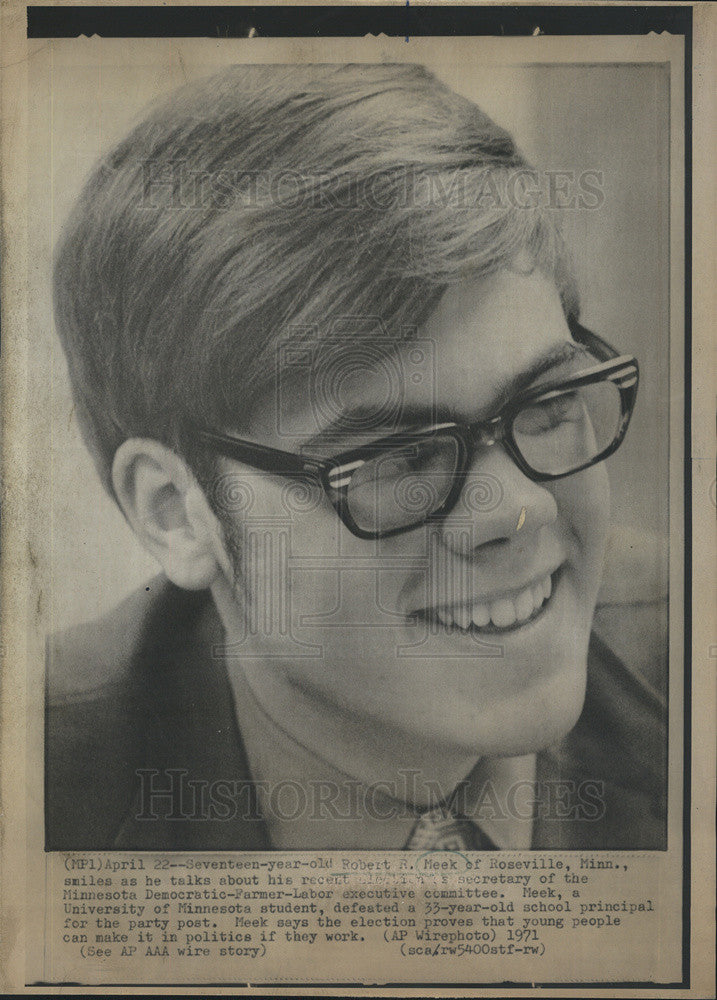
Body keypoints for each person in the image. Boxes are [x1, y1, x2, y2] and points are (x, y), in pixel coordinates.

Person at [46, 63, 666, 851]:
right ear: (177, 514)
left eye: (543, 408)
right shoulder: (37, 792)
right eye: (401, 460)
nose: (520, 510)